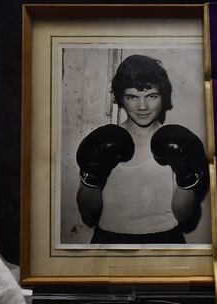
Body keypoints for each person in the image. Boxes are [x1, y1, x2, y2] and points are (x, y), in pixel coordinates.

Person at [76, 54, 207, 244]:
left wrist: (186, 179)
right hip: (108, 242)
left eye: (151, 96)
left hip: (166, 240)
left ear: (163, 96)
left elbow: (184, 216)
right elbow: (88, 213)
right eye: (132, 97)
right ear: (121, 98)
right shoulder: (103, 139)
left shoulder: (177, 141)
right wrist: (92, 178)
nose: (142, 106)